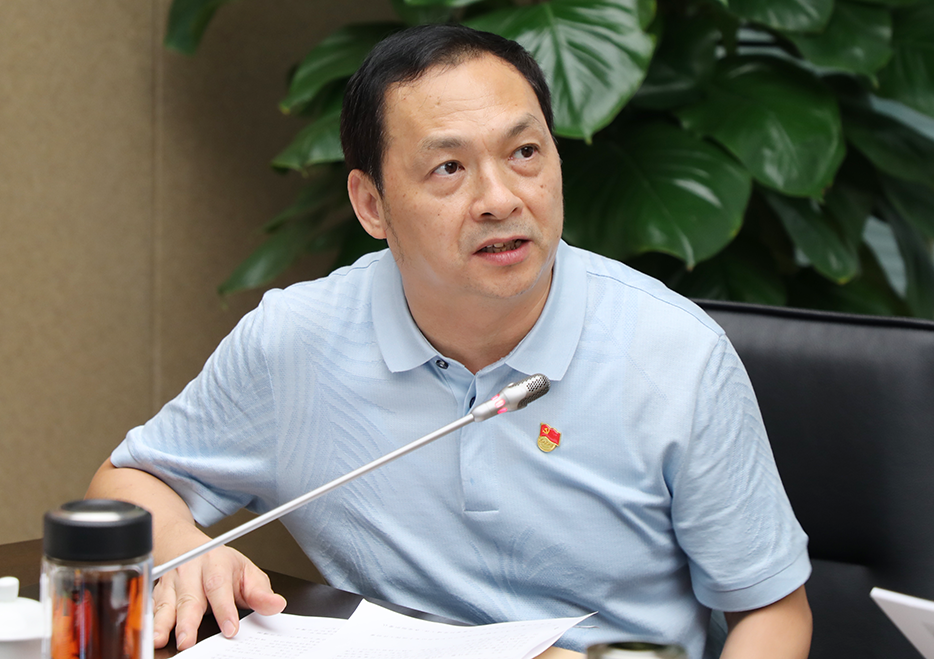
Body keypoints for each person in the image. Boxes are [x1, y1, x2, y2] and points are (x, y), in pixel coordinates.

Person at [86, 24, 812, 658]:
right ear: (371, 204)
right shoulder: (298, 341)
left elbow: (773, 613)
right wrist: (185, 549)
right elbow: (126, 485)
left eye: (524, 152)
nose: (500, 198)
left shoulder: (675, 354)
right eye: (449, 168)